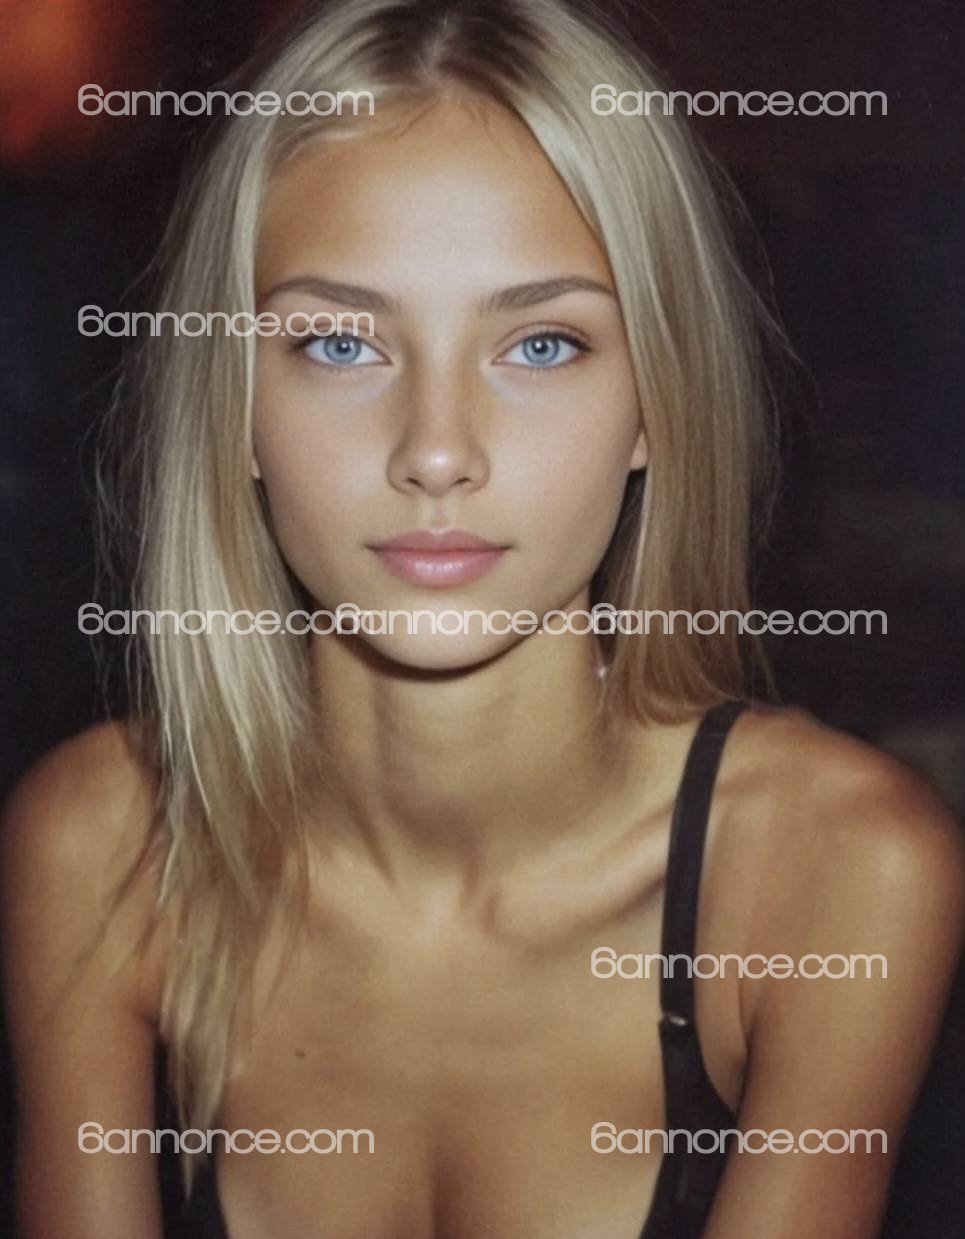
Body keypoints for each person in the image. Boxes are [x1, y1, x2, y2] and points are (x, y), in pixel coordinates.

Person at [3, 1, 963, 1236]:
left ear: (656, 401)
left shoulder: (833, 874)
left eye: (542, 345)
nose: (438, 450)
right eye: (339, 344)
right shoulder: (101, 846)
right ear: (231, 404)